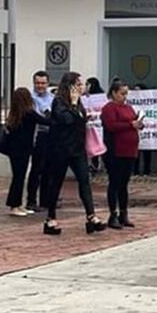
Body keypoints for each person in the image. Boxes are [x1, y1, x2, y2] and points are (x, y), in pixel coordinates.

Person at [42, 72, 106, 235]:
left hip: (77, 148)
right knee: (56, 182)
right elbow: (67, 120)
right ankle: (50, 218)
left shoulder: (79, 103)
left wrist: (83, 115)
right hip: (61, 149)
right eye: (78, 84)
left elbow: (79, 119)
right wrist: (74, 104)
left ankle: (91, 216)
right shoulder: (59, 101)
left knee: (84, 180)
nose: (81, 87)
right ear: (70, 86)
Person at [101, 80, 143, 229]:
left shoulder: (128, 107)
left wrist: (139, 123)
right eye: (122, 93)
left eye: (126, 94)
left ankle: (123, 213)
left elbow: (133, 120)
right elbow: (111, 126)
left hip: (129, 150)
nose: (124, 97)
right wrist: (130, 125)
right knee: (115, 182)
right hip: (115, 150)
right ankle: (113, 214)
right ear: (114, 93)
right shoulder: (109, 108)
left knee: (124, 183)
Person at [4, 87, 46, 216]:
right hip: (23, 150)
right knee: (19, 178)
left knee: (18, 177)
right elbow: (45, 121)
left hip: (14, 150)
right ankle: (14, 206)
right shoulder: (29, 113)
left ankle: (17, 204)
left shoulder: (14, 114)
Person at [25, 70, 54, 211]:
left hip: (51, 135)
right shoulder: (30, 98)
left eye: (43, 83)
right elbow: (36, 116)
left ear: (48, 83)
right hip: (38, 135)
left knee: (49, 169)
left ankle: (46, 200)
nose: (40, 86)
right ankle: (31, 200)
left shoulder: (52, 98)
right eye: (37, 83)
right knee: (37, 169)